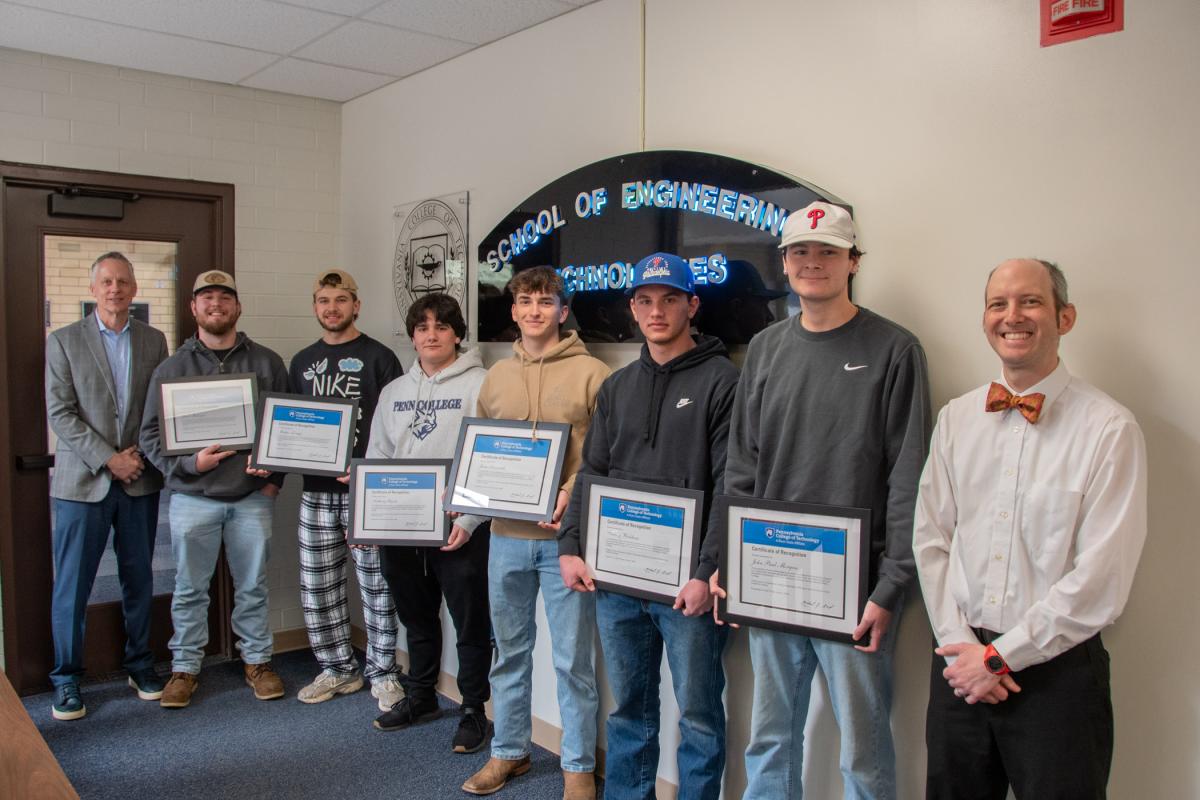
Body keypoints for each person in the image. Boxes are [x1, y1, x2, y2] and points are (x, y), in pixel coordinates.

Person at [913, 258, 1148, 799]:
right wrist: (961, 649)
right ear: (985, 319)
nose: (1012, 316)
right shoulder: (956, 419)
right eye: (998, 303)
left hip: (1056, 675)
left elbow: (1101, 580)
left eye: (1030, 301)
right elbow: (931, 541)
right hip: (959, 665)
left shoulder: (1109, 429)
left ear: (1064, 318)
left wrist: (1000, 658)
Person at [720, 201, 931, 799]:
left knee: (862, 753)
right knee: (770, 739)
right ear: (784, 263)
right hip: (771, 577)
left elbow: (907, 477)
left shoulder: (895, 349)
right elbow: (743, 465)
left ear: (853, 262)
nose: (813, 263)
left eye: (828, 252)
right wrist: (734, 566)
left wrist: (890, 587)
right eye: (801, 252)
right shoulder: (764, 348)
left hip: (854, 590)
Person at [558, 252, 738, 800]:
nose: (656, 310)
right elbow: (594, 472)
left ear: (692, 304)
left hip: (687, 590)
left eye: (669, 299)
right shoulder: (617, 386)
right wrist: (569, 545)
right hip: (618, 584)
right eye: (645, 300)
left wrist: (707, 571)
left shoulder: (723, 381)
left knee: (700, 717)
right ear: (632, 308)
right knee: (629, 712)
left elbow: (730, 484)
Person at [462, 267, 610, 800]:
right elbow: (480, 456)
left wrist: (570, 491)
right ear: (513, 311)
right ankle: (509, 753)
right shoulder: (496, 377)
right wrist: (465, 512)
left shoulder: (593, 374)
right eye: (525, 301)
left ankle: (577, 767)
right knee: (511, 651)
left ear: (563, 311)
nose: (533, 311)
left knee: (572, 660)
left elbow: (601, 455)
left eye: (545, 302)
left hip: (563, 544)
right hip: (505, 538)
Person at [140, 269, 289, 708]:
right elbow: (150, 436)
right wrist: (189, 463)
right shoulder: (171, 368)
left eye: (225, 297)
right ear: (194, 308)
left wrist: (274, 481)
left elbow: (287, 427)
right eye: (207, 297)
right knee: (189, 588)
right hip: (192, 497)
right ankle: (185, 668)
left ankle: (258, 662)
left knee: (253, 586)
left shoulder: (266, 362)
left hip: (251, 499)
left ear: (237, 307)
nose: (216, 304)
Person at [44, 251, 169, 720]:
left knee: (139, 578)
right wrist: (108, 458)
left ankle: (140, 665)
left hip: (139, 479)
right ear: (93, 289)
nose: (115, 289)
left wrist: (135, 454)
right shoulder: (63, 341)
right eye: (107, 282)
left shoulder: (155, 341)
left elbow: (157, 408)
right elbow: (60, 413)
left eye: (123, 281)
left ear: (134, 289)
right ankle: (66, 679)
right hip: (82, 484)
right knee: (73, 586)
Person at [365, 293, 492, 753]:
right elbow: (378, 455)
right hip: (400, 529)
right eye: (422, 327)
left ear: (457, 334)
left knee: (470, 623)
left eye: (441, 327)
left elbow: (491, 455)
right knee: (415, 618)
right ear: (413, 335)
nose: (431, 335)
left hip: (460, 528)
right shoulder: (395, 390)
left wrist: (474, 517)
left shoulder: (482, 384)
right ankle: (421, 696)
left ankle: (474, 709)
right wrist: (369, 519)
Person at [286, 269, 404, 711]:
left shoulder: (380, 358)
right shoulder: (300, 362)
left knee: (377, 586)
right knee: (318, 586)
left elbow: (394, 427)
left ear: (357, 305)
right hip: (314, 492)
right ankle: (338, 668)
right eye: (323, 300)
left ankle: (383, 672)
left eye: (340, 299)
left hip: (366, 493)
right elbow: (290, 427)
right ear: (315, 307)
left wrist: (371, 469)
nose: (331, 308)